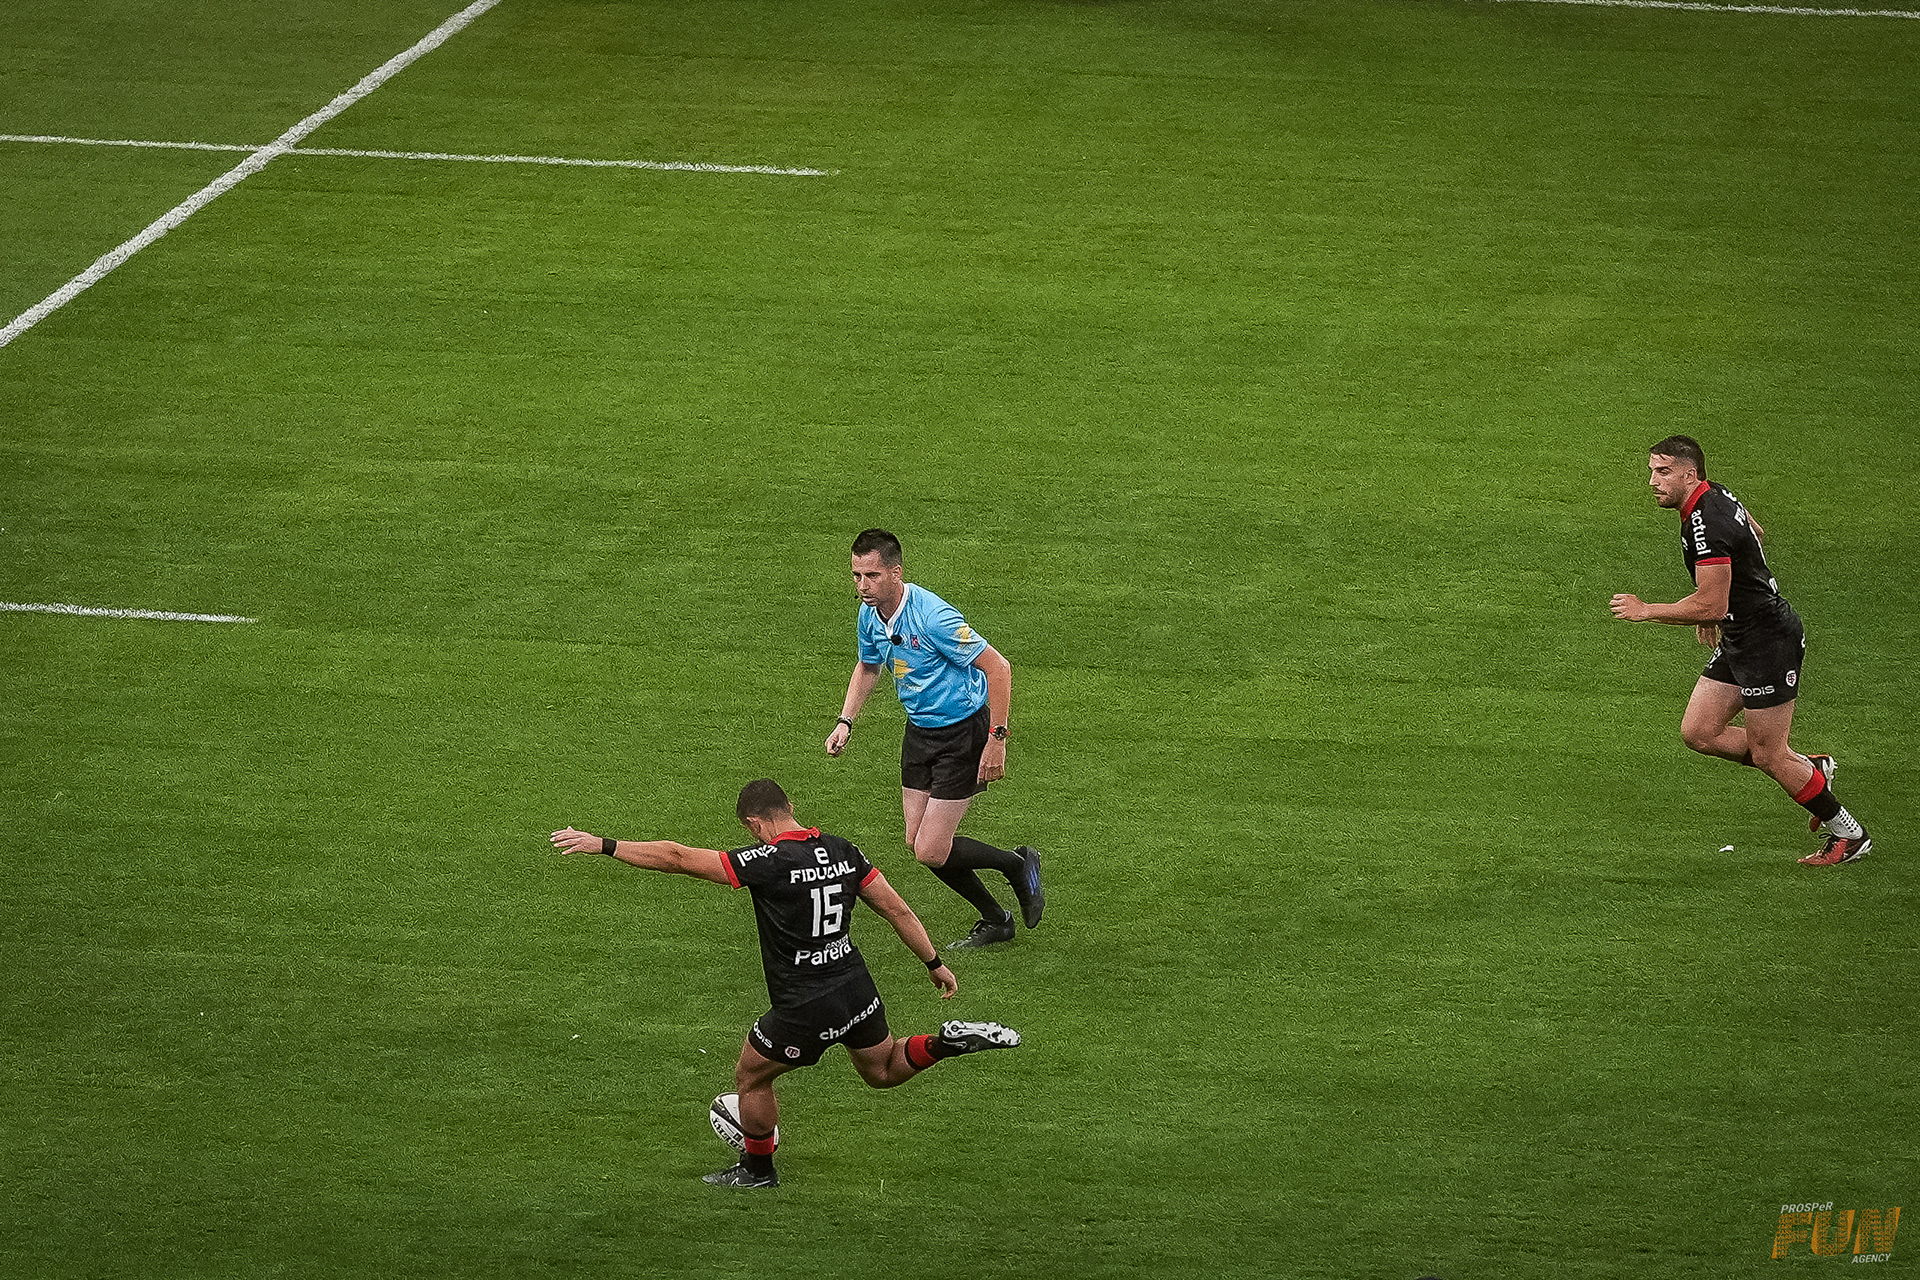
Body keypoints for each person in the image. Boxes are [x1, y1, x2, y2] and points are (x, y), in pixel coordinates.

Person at [549, 778, 1021, 1189]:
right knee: (882, 1070)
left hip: (804, 1003)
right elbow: (895, 908)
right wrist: (934, 962)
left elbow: (676, 857)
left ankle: (756, 1170)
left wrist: (605, 844)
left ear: (755, 824)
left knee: (751, 1076)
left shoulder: (765, 861)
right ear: (789, 806)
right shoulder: (844, 851)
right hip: (855, 986)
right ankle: (944, 1042)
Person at [1610, 436, 1871, 866]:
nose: (1652, 481)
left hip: (1767, 642)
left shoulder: (1705, 523)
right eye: (1651, 472)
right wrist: (1722, 604)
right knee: (1700, 731)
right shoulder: (1714, 495)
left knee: (1770, 754)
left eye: (1662, 472)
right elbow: (1755, 532)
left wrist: (1647, 611)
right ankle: (1809, 770)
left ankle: (1848, 832)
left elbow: (1711, 600)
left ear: (1689, 474)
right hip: (1741, 636)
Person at [826, 528, 1044, 948]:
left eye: (871, 575)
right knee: (917, 841)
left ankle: (1018, 866)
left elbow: (999, 668)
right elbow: (868, 666)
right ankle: (997, 918)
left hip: (962, 733)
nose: (862, 585)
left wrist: (997, 739)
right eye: (856, 576)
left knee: (929, 848)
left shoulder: (932, 617)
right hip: (920, 732)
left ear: (896, 573)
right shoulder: (869, 614)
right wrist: (845, 721)